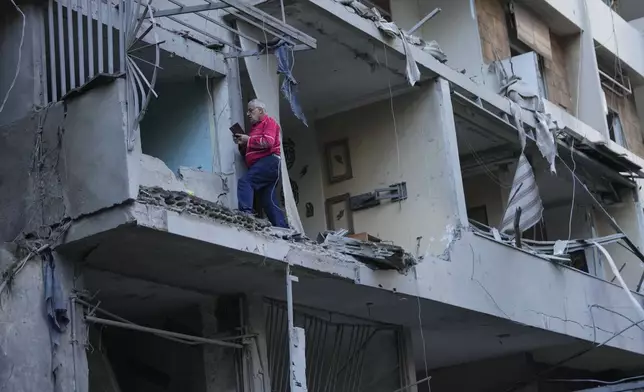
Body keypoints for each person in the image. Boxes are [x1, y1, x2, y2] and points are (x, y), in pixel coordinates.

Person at [234, 99, 288, 228]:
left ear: (261, 111)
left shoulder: (269, 122)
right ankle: (283, 229)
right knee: (268, 200)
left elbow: (268, 142)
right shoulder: (254, 129)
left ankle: (245, 214)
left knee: (245, 182)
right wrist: (243, 144)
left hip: (269, 162)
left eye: (251, 110)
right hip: (264, 165)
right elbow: (249, 153)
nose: (248, 114)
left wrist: (249, 139)